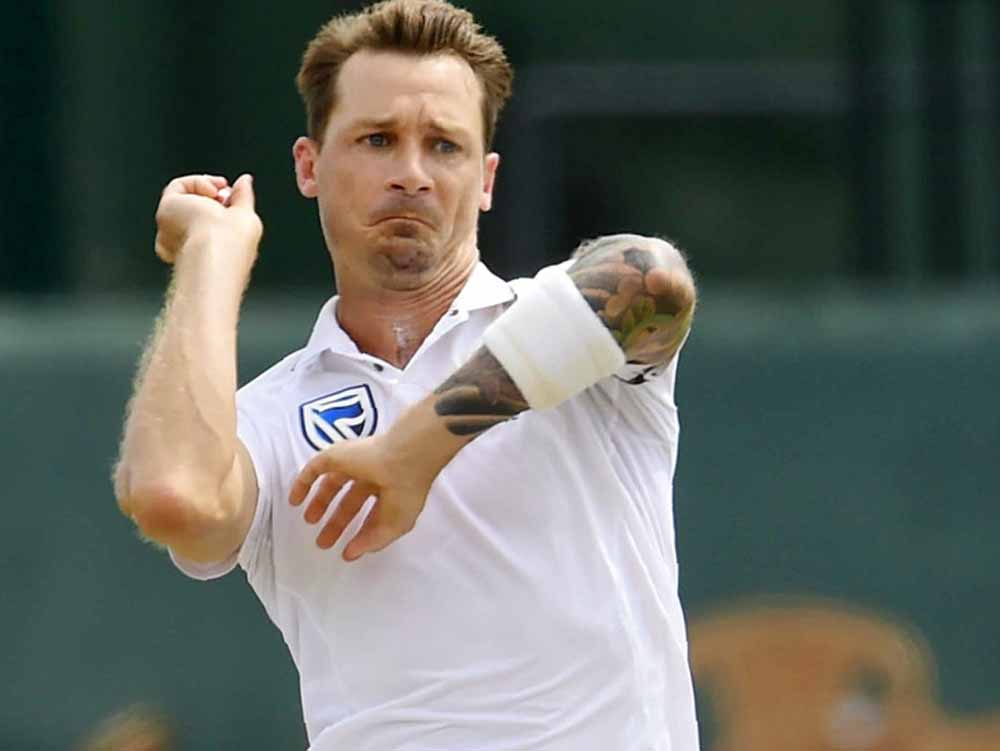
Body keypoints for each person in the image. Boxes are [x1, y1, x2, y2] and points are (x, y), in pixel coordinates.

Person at [114, 1, 699, 748]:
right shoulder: (268, 417)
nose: (412, 174)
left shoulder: (570, 342)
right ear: (309, 166)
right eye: (378, 139)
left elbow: (649, 280)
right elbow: (175, 497)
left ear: (486, 179)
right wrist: (212, 252)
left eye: (445, 146)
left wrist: (412, 451)